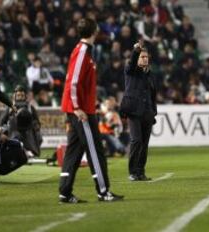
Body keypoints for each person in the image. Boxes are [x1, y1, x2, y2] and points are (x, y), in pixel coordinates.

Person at [59, 18, 124, 203]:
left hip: (81, 109)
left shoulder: (83, 51)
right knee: (95, 150)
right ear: (95, 31)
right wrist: (77, 107)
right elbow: (73, 82)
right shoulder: (82, 52)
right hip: (82, 112)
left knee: (74, 151)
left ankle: (65, 192)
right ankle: (103, 191)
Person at [120, 40, 157, 181]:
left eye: (146, 57)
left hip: (147, 113)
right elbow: (131, 64)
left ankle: (140, 171)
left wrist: (153, 112)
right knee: (136, 141)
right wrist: (136, 51)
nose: (145, 58)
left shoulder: (150, 74)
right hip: (134, 112)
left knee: (144, 144)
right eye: (142, 56)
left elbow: (153, 95)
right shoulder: (131, 71)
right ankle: (132, 172)